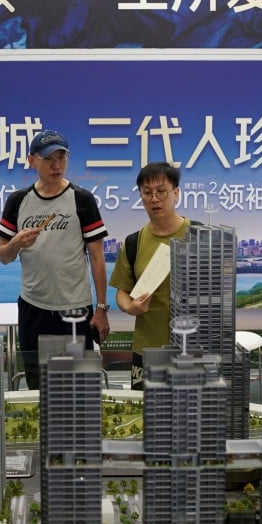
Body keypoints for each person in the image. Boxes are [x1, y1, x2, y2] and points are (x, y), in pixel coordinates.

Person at [0, 129, 110, 389]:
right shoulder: (18, 201)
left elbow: (97, 256)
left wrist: (102, 308)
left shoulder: (82, 199)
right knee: (38, 386)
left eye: (62, 157)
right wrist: (15, 243)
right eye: (49, 158)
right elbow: (4, 257)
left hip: (75, 308)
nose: (56, 165)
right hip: (33, 308)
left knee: (79, 387)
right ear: (31, 160)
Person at [109, 162, 191, 389]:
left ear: (176, 193)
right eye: (147, 193)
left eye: (161, 192)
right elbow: (122, 292)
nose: (154, 199)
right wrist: (131, 307)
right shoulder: (133, 242)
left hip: (193, 348)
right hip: (147, 348)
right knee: (145, 413)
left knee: (193, 417)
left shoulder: (200, 236)